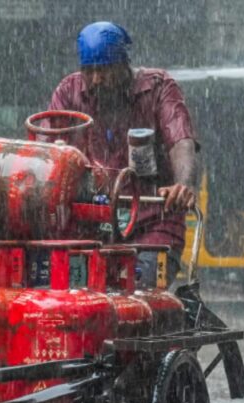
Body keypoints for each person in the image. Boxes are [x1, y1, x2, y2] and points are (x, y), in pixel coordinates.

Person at [48, 21, 199, 287]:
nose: (96, 79)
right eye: (89, 71)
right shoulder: (68, 93)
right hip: (92, 226)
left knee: (139, 302)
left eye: (104, 70)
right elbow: (47, 150)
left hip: (153, 224)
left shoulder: (159, 88)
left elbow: (181, 140)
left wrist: (183, 185)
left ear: (123, 65)